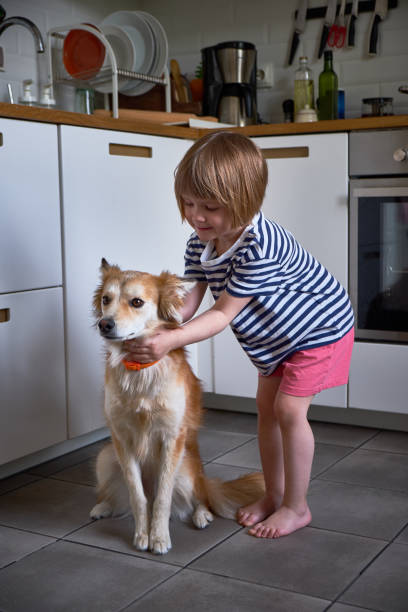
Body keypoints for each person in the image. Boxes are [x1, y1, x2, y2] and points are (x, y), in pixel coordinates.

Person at [125, 131, 354, 539]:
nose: (196, 215)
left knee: (288, 411)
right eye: (189, 203)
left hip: (320, 329)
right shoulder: (202, 240)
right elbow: (191, 298)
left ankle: (296, 507)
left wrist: (171, 342)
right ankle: (274, 494)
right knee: (266, 409)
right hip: (278, 339)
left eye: (209, 207)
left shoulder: (259, 247)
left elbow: (222, 313)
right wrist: (154, 324)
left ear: (246, 201)